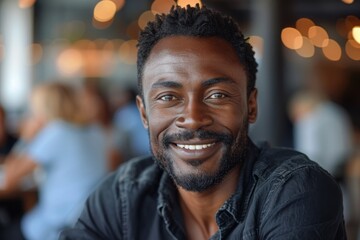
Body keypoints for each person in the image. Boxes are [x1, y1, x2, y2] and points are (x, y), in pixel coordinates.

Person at [60, 5, 346, 239]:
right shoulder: (122, 196)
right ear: (144, 113)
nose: (194, 118)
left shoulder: (294, 190)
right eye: (168, 97)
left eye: (217, 94)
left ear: (251, 105)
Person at [0, 82, 108, 240]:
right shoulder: (95, 131)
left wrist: (25, 138)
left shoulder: (57, 132)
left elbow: (9, 177)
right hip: (88, 220)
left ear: (44, 108)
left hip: (56, 225)